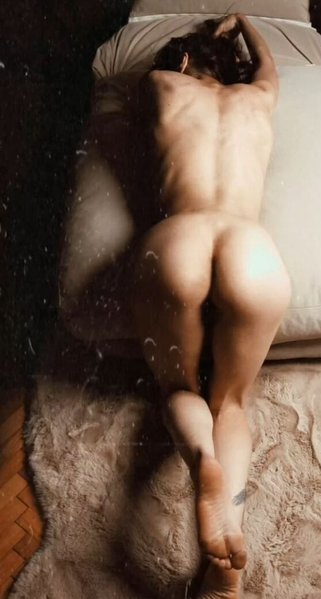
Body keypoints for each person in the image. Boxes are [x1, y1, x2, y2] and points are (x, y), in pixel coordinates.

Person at [61, 13, 291, 599]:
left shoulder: (160, 86)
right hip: (251, 248)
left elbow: (122, 99)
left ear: (182, 63)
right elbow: (269, 64)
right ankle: (226, 553)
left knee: (178, 389)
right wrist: (244, 26)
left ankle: (202, 463)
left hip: (178, 241)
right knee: (231, 402)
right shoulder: (260, 97)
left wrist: (186, 53)